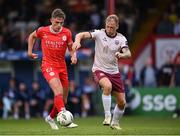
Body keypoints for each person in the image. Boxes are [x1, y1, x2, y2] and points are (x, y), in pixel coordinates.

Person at [72, 14, 131, 130]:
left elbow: (128, 53)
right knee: (107, 86)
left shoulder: (121, 39)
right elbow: (81, 34)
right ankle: (107, 116)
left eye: (112, 27)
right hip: (99, 69)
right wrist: (77, 41)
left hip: (114, 72)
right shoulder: (99, 33)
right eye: (108, 26)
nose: (109, 29)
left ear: (117, 26)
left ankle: (114, 123)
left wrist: (122, 54)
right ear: (105, 25)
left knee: (122, 102)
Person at [28, 8, 78, 129]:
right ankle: (65, 116)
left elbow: (71, 47)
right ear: (51, 20)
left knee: (63, 99)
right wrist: (30, 52)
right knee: (58, 92)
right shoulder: (43, 31)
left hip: (62, 67)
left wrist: (73, 56)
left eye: (61, 23)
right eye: (56, 22)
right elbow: (31, 36)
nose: (58, 25)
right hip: (48, 65)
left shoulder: (67, 33)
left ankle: (50, 118)